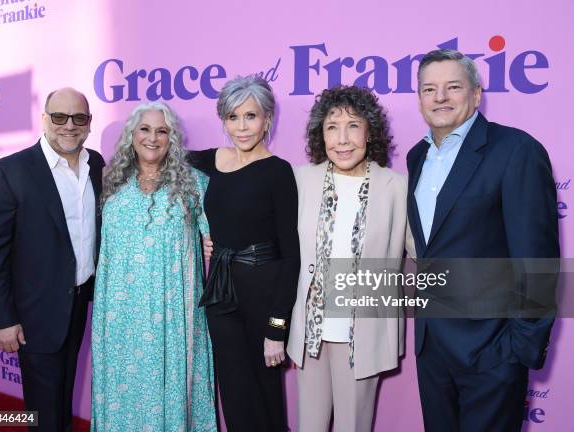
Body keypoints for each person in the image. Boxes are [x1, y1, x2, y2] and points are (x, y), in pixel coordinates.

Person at [408, 49, 560, 431]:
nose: (440, 97)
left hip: (492, 351)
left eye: (453, 87)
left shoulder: (515, 151)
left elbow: (537, 259)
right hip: (432, 350)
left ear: (476, 94)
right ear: (420, 98)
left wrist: (517, 349)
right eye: (430, 89)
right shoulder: (416, 158)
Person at [286, 85, 415, 432]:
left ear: (370, 131)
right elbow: (271, 237)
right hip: (310, 329)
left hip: (364, 331)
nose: (342, 139)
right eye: (332, 127)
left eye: (353, 126)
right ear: (320, 134)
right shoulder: (300, 180)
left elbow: (421, 249)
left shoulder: (396, 187)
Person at [0, 87, 104, 432]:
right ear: (45, 118)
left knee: (62, 393)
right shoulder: (10, 171)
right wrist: (2, 319)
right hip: (34, 311)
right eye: (59, 117)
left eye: (78, 118)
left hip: (79, 301)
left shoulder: (97, 165)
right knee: (44, 406)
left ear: (89, 123)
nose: (69, 125)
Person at [90, 102, 216, 431]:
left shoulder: (195, 185)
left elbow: (217, 239)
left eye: (162, 131)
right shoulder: (112, 186)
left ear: (172, 138)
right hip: (121, 320)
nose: (153, 138)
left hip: (174, 318)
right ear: (131, 135)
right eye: (145, 129)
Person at [187, 75, 300, 432]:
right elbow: (163, 160)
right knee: (233, 391)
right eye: (232, 117)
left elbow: (291, 255)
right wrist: (201, 239)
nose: (242, 126)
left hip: (263, 294)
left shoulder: (278, 172)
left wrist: (277, 329)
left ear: (267, 119)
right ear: (223, 120)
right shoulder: (210, 161)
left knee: (265, 391)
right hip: (221, 292)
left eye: (250, 116)